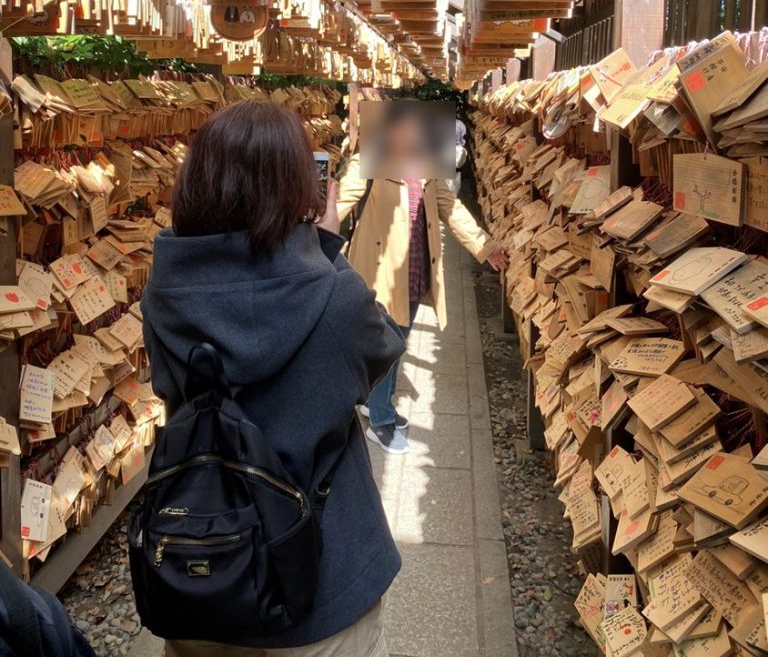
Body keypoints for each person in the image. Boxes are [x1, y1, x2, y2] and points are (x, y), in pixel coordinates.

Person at [141, 100, 405, 657]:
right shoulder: (330, 295)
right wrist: (325, 247)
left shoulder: (165, 293)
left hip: (200, 560)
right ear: (298, 185)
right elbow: (383, 346)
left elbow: (170, 389)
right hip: (321, 575)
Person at [337, 102, 508, 456]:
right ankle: (380, 421)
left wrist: (484, 246)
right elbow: (344, 198)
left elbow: (450, 207)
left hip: (416, 271)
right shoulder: (370, 159)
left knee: (399, 340)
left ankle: (376, 402)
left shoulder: (427, 165)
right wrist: (309, 234)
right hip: (382, 270)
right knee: (389, 342)